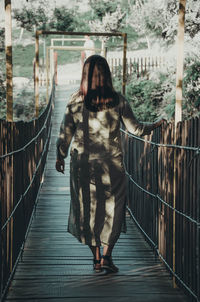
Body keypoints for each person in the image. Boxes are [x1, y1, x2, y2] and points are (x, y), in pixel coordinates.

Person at [56, 55, 164, 273]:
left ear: (85, 76)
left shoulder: (75, 101)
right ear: (107, 75)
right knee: (114, 210)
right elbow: (136, 129)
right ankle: (107, 256)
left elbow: (65, 133)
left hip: (82, 166)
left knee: (86, 209)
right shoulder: (118, 100)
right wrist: (157, 124)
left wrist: (60, 156)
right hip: (111, 166)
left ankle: (96, 260)